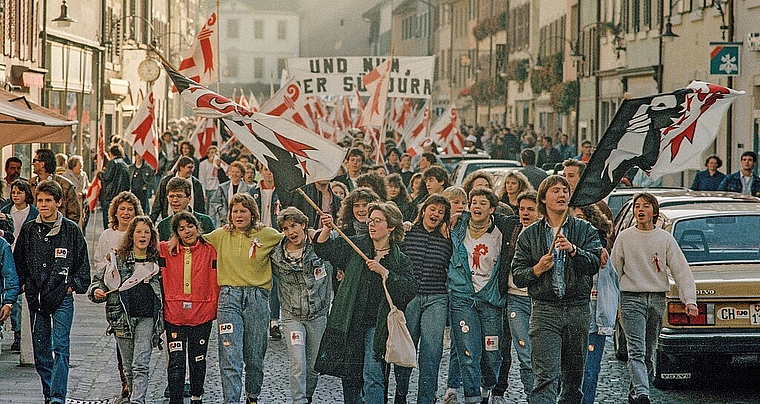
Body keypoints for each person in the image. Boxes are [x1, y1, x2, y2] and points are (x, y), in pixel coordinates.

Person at [314, 202, 418, 404]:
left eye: (377, 221)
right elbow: (325, 251)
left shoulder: (399, 259)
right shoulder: (356, 246)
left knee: (373, 375)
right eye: (370, 221)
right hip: (351, 321)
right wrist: (327, 228)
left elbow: (409, 289)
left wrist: (384, 273)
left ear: (391, 227)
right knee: (351, 375)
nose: (371, 225)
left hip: (377, 325)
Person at [512, 175, 602, 403]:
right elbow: (518, 275)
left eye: (565, 190)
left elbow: (593, 265)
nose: (562, 195)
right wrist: (537, 269)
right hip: (545, 311)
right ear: (543, 198)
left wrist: (574, 250)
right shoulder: (529, 234)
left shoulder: (584, 229)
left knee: (573, 380)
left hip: (577, 309)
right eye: (555, 191)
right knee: (545, 376)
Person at [611, 193, 697, 404]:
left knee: (650, 351)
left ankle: (636, 392)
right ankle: (643, 395)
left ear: (654, 212)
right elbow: (614, 272)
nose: (640, 210)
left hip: (657, 299)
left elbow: (680, 269)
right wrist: (611, 303)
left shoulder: (665, 239)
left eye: (646, 206)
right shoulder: (624, 238)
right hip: (632, 299)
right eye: (637, 206)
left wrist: (690, 300)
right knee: (636, 350)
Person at [201, 193, 283, 404]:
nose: (238, 215)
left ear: (252, 214)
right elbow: (194, 238)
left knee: (255, 357)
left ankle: (252, 396)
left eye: (243, 211)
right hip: (229, 299)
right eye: (235, 211)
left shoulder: (266, 234)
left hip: (257, 299)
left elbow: (291, 237)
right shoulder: (221, 235)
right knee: (230, 354)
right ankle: (232, 400)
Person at [14, 180, 91, 404]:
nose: (44, 204)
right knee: (41, 352)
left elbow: (82, 266)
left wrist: (72, 285)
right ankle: (49, 392)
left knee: (61, 346)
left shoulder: (71, 230)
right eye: (40, 200)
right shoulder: (29, 230)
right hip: (37, 298)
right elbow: (18, 262)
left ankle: (58, 397)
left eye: (48, 200)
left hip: (62, 298)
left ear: (58, 202)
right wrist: (25, 284)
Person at [447, 187, 520, 404]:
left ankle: (487, 387)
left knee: (492, 352)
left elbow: (520, 221)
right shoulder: (458, 227)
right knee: (468, 352)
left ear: (492, 209)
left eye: (482, 203)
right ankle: (472, 397)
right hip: (463, 298)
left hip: (491, 300)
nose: (477, 206)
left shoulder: (501, 231)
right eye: (474, 202)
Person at [89, 216, 163, 404]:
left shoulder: (157, 261)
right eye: (139, 231)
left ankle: (138, 400)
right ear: (131, 235)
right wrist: (96, 291)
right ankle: (132, 396)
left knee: (141, 364)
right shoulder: (118, 259)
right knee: (128, 367)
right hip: (123, 317)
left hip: (147, 318)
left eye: (146, 232)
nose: (143, 235)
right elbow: (100, 281)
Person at [393, 194, 452, 404]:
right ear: (424, 209)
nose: (435, 214)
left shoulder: (447, 239)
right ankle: (400, 395)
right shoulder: (408, 233)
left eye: (441, 212)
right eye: (432, 209)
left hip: (436, 298)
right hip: (410, 298)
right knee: (405, 349)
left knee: (431, 352)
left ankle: (426, 399)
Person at [270, 207, 332, 404]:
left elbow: (342, 245)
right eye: (286, 228)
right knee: (298, 362)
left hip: (318, 315)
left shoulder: (320, 246)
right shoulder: (277, 254)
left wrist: (327, 228)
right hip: (291, 317)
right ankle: (299, 401)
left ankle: (308, 396)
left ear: (304, 225)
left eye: (294, 225)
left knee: (313, 365)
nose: (291, 232)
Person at [160, 212, 219, 404]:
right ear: (176, 233)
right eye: (181, 228)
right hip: (174, 315)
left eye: (190, 226)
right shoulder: (166, 250)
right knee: (176, 361)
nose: (187, 231)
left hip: (202, 314)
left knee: (198, 359)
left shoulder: (211, 249)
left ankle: (196, 396)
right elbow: (142, 242)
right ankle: (175, 400)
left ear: (197, 227)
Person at [90, 191, 144, 398]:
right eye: (122, 209)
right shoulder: (107, 235)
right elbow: (98, 263)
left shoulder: (140, 232)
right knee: (121, 338)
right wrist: (110, 267)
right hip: (115, 293)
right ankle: (126, 381)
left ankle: (137, 382)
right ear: (115, 211)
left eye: (130, 209)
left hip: (137, 292)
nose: (126, 213)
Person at [494, 190, 540, 400]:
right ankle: (532, 396)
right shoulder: (513, 227)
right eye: (522, 209)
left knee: (542, 355)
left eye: (531, 209)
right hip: (515, 298)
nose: (525, 213)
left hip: (541, 301)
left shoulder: (547, 232)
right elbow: (489, 213)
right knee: (524, 354)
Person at [574, 204, 620, 404]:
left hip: (593, 320)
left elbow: (610, 286)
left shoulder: (600, 252)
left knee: (590, 372)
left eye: (582, 217)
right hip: (569, 319)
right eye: (575, 218)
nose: (579, 222)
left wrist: (608, 317)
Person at [2, 179, 38, 352]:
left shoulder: (33, 213)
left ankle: (25, 332)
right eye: (13, 193)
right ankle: (17, 332)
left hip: (25, 258)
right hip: (8, 255)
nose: (16, 196)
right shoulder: (5, 211)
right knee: (13, 296)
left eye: (19, 192)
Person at [29, 149, 82, 225]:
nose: (32, 163)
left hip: (58, 229)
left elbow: (74, 213)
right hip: (35, 230)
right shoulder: (31, 184)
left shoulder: (65, 185)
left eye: (34, 160)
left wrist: (64, 230)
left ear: (42, 164)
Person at [151, 156, 206, 223]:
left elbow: (201, 206)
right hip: (169, 221)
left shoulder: (197, 184)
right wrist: (152, 222)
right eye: (189, 167)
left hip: (191, 221)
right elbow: (158, 203)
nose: (191, 170)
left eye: (192, 167)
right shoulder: (166, 181)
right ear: (181, 167)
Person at [97, 145, 132, 227]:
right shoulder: (125, 164)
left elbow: (106, 177)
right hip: (121, 196)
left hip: (110, 196)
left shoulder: (113, 163)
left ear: (111, 153)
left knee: (109, 220)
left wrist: (99, 174)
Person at [211, 161, 251, 227]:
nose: (234, 174)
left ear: (242, 174)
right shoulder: (222, 187)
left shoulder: (248, 189)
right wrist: (222, 212)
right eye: (233, 172)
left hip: (242, 220)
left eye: (237, 172)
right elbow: (214, 202)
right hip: (224, 221)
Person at [61, 155, 90, 229]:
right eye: (79, 165)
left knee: (82, 223)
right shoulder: (65, 176)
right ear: (73, 166)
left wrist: (83, 192)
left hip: (82, 203)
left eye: (82, 165)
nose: (81, 167)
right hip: (70, 203)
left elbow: (87, 187)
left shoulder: (84, 175)